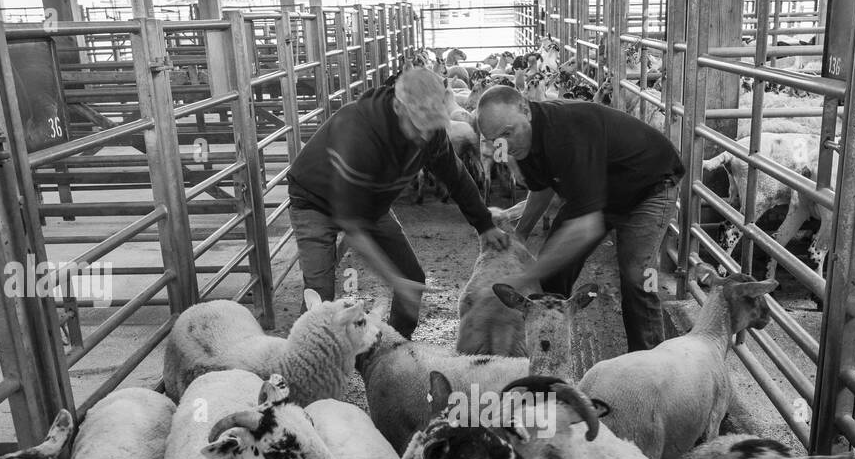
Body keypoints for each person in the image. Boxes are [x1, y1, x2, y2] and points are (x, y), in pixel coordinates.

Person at [285, 67, 509, 338]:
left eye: (431, 126)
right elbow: (353, 226)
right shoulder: (358, 132)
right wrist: (391, 279)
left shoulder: (430, 132)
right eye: (418, 126)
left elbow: (456, 176)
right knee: (320, 295)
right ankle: (307, 359)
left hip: (371, 200)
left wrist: (484, 225)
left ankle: (395, 347)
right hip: (315, 200)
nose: (424, 136)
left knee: (412, 279)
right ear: (399, 107)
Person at [475, 85, 684, 351]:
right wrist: (520, 235)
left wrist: (526, 275)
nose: (502, 145)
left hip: (651, 184)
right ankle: (549, 349)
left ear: (525, 110)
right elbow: (542, 187)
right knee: (554, 270)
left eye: (506, 133)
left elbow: (586, 226)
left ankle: (648, 365)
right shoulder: (522, 144)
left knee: (637, 277)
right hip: (600, 190)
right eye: (493, 140)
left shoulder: (565, 133)